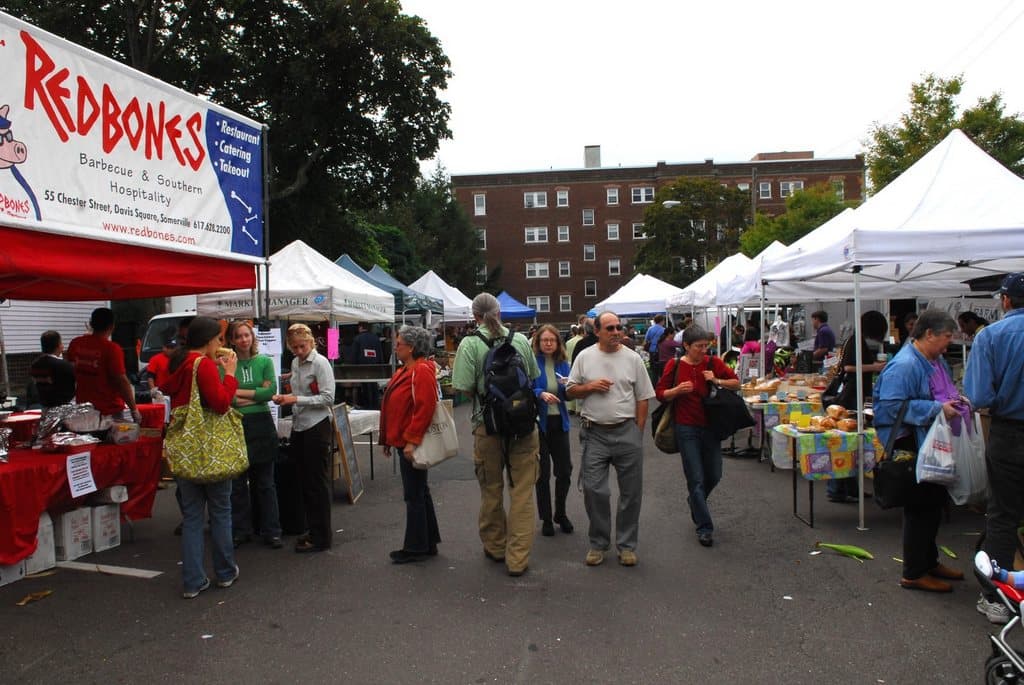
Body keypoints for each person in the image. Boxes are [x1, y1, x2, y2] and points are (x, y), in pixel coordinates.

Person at [873, 309, 965, 593]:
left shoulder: (928, 361)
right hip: (908, 442)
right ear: (928, 334)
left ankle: (928, 561)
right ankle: (913, 572)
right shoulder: (905, 365)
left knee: (933, 503)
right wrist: (937, 408)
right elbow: (889, 407)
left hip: (925, 438)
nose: (947, 345)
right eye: (946, 338)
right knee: (920, 507)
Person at [451, 293, 540, 577]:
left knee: (491, 490)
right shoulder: (522, 340)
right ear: (500, 312)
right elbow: (533, 377)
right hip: (524, 425)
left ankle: (496, 546)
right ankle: (518, 558)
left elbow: (463, 388)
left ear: (474, 315)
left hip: (486, 426)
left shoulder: (469, 344)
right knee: (523, 492)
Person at [567, 310, 655, 567]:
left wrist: (637, 431)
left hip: (626, 431)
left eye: (619, 327)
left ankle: (626, 545)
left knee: (631, 492)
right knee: (595, 490)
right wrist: (590, 387)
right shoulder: (585, 357)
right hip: (594, 433)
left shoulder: (633, 358)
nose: (617, 332)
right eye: (610, 328)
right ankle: (599, 543)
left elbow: (643, 397)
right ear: (597, 332)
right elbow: (570, 390)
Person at [161, 317, 241, 599]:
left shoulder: (180, 363)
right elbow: (220, 404)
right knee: (220, 511)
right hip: (209, 449)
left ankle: (193, 581)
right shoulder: (203, 364)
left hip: (185, 449)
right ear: (209, 341)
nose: (221, 344)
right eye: (219, 339)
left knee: (192, 516)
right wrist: (230, 375)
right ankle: (225, 572)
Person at [965, 272, 1024, 624]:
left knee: (1003, 515)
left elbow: (980, 396)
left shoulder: (992, 336)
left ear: (1005, 300)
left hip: (1009, 433)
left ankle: (999, 600)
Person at [655, 325, 740, 548]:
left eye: (706, 346)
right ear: (686, 346)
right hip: (686, 428)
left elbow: (737, 383)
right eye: (698, 347)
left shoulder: (713, 363)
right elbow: (660, 393)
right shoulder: (674, 365)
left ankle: (695, 500)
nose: (703, 350)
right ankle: (704, 527)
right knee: (696, 478)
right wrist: (676, 391)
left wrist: (717, 380)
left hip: (711, 427)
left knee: (714, 474)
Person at [380, 325, 442, 564]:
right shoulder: (408, 369)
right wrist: (387, 438)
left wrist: (412, 441)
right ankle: (427, 542)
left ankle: (416, 546)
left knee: (414, 494)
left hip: (409, 441)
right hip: (403, 439)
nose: (396, 347)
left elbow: (424, 408)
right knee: (419, 492)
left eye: (399, 344)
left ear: (412, 347)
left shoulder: (421, 370)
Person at [273, 324, 336, 554]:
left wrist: (295, 399)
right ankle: (312, 530)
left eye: (303, 346)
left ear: (311, 342)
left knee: (317, 484)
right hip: (300, 427)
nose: (299, 351)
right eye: (295, 347)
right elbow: (301, 392)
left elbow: (328, 398)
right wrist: (288, 397)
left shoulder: (320, 363)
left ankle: (322, 537)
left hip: (317, 427)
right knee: (306, 483)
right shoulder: (295, 363)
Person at [226, 320, 282, 550]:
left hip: (261, 424)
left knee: (265, 483)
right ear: (232, 340)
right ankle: (241, 530)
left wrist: (238, 392)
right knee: (238, 484)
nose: (243, 340)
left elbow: (271, 392)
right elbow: (227, 398)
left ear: (253, 337)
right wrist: (255, 394)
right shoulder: (226, 365)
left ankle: (272, 531)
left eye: (247, 335)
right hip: (236, 425)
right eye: (238, 336)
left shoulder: (264, 361)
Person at [825, 310, 889, 504]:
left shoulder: (856, 339)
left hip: (855, 394)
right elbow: (849, 368)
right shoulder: (856, 341)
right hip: (851, 396)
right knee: (847, 444)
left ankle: (852, 489)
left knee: (852, 445)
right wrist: (875, 367)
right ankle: (838, 489)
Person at [531, 324, 573, 537]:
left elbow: (570, 392)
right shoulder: (532, 363)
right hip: (540, 424)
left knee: (564, 471)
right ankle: (546, 518)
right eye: (544, 340)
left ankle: (561, 513)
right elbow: (527, 386)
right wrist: (540, 393)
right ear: (537, 342)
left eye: (552, 340)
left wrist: (568, 387)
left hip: (560, 423)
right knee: (543, 473)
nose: (548, 343)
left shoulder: (564, 364)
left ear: (558, 343)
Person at [66, 307, 141, 423]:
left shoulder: (76, 343)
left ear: (91, 323)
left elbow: (70, 368)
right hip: (109, 411)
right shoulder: (112, 349)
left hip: (83, 409)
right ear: (112, 326)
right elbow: (122, 381)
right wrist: (134, 409)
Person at [29, 330, 76, 408]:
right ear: (58, 345)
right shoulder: (63, 365)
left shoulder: (35, 365)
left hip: (45, 406)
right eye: (61, 343)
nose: (63, 346)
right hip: (64, 408)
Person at [352, 322, 383, 408]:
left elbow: (354, 355)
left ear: (361, 327)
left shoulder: (357, 339)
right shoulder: (376, 338)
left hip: (362, 368)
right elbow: (380, 353)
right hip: (375, 368)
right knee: (374, 387)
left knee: (365, 387)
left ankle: (368, 407)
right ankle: (375, 406)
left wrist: (353, 368)